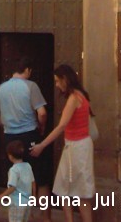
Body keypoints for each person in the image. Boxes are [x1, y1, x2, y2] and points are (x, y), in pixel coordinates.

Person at [0, 56, 52, 220]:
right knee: (40, 177)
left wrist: (6, 124)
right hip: (30, 135)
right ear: (28, 70)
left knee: (17, 178)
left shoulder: (0, 88)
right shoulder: (31, 86)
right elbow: (42, 113)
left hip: (10, 138)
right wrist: (41, 127)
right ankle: (45, 217)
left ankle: (23, 216)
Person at [30, 64, 95, 222]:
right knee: (79, 190)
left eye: (58, 81)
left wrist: (42, 145)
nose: (57, 85)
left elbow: (61, 126)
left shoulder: (73, 98)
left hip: (75, 147)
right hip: (81, 146)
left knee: (67, 189)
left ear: (65, 79)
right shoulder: (82, 95)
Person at [0, 140, 36, 222]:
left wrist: (1, 196)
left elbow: (12, 187)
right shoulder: (28, 166)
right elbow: (33, 183)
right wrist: (33, 197)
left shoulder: (14, 170)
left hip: (16, 203)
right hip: (27, 202)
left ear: (10, 156)